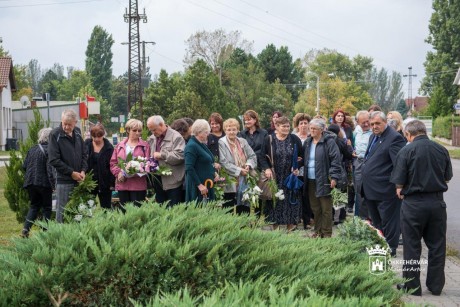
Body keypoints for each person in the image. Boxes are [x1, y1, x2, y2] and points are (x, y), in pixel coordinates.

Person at [391, 120, 453, 296]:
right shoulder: (442, 150)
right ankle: (435, 286)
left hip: (413, 205)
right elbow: (447, 178)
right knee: (437, 246)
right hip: (436, 203)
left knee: (411, 246)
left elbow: (399, 186)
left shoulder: (406, 151)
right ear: (424, 131)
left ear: (409, 135)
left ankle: (412, 286)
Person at [361, 111, 406, 256]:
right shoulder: (374, 136)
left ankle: (391, 248)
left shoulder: (395, 138)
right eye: (372, 123)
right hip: (371, 189)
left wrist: (399, 185)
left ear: (385, 122)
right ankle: (381, 244)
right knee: (376, 221)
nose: (374, 126)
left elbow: (399, 165)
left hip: (386, 189)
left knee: (390, 221)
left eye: (377, 123)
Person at [260, 116, 303, 232]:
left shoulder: (294, 139)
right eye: (283, 126)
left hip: (289, 176)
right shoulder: (269, 139)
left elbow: (303, 156)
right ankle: (275, 225)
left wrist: (297, 167)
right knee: (275, 199)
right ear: (277, 127)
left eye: (288, 126)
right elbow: (261, 156)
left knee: (289, 198)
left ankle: (290, 225)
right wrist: (267, 168)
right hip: (275, 175)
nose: (286, 128)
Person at [303, 119, 342, 238]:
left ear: (321, 130)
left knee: (326, 208)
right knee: (315, 208)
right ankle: (317, 230)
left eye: (314, 128)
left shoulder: (329, 142)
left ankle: (326, 233)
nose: (312, 130)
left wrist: (334, 177)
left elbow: (336, 160)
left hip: (325, 179)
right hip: (310, 179)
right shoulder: (308, 142)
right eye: (311, 128)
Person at [48, 109, 88, 223]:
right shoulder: (55, 134)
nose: (66, 127)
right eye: (64, 123)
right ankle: (60, 237)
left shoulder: (78, 132)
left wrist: (83, 171)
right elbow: (53, 160)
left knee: (79, 212)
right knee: (62, 212)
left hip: (79, 180)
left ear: (75, 122)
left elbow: (84, 154)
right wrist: (71, 173)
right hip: (64, 181)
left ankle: (77, 236)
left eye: (69, 124)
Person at [21, 128, 56, 237]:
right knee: (47, 208)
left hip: (30, 183)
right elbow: (50, 170)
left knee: (34, 206)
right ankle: (44, 233)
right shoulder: (50, 150)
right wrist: (53, 185)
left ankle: (25, 230)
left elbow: (24, 166)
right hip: (44, 184)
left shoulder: (32, 149)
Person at [218, 118, 257, 213]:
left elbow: (252, 156)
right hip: (230, 179)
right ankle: (230, 228)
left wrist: (248, 165)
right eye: (229, 129)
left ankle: (244, 227)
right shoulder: (221, 143)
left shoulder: (242, 141)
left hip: (245, 178)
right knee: (229, 207)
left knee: (244, 207)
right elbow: (223, 162)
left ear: (238, 130)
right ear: (225, 130)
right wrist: (239, 171)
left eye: (234, 129)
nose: (231, 132)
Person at [110, 119, 150, 207]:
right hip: (123, 184)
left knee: (137, 213)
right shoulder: (120, 145)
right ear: (128, 130)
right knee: (124, 212)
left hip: (138, 185)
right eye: (134, 130)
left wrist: (133, 172)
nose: (137, 133)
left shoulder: (145, 146)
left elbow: (148, 164)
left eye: (139, 131)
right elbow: (113, 163)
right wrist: (119, 173)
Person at [147, 115, 185, 206]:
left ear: (161, 124)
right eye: (151, 130)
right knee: (161, 209)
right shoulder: (152, 138)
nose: (153, 132)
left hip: (173, 181)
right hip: (157, 179)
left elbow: (180, 156)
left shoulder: (176, 137)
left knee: (174, 210)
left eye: (154, 129)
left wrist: (162, 155)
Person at [184, 119, 217, 202]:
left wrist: (214, 173)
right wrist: (199, 185)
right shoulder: (192, 146)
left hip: (206, 184)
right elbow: (189, 167)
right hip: (198, 187)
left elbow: (208, 161)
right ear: (199, 132)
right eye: (206, 132)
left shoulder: (200, 143)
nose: (208, 134)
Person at [85, 124, 115, 209]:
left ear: (103, 135)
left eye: (99, 136)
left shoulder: (109, 148)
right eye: (94, 137)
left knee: (106, 208)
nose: (96, 139)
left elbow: (112, 166)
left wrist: (112, 183)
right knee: (87, 207)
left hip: (105, 183)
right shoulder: (87, 144)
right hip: (89, 183)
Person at [293, 113, 313, 229]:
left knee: (306, 197)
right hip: (296, 171)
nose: (304, 125)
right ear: (297, 125)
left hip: (307, 171)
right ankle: (295, 220)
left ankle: (307, 221)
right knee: (296, 196)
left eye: (306, 123)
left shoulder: (311, 137)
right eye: (301, 123)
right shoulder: (294, 137)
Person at [352, 110, 372, 219]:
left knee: (368, 190)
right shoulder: (357, 131)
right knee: (358, 191)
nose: (366, 124)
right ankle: (360, 218)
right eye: (363, 122)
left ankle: (369, 217)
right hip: (358, 163)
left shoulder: (374, 132)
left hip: (369, 163)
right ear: (358, 122)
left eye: (367, 121)